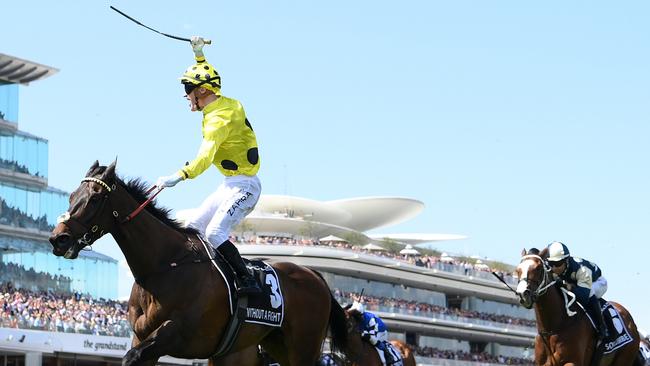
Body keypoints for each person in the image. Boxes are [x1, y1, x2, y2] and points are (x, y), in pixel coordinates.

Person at [156, 36, 261, 294]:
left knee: (214, 232)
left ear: (202, 91)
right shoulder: (223, 104)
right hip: (230, 184)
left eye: (188, 90)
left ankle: (247, 280)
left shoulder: (218, 121)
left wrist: (179, 175)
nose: (186, 96)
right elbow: (207, 77)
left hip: (246, 187)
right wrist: (199, 55)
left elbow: (203, 158)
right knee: (193, 228)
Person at [546, 241, 608, 339]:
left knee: (590, 292)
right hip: (577, 282)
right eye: (551, 263)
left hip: (597, 282)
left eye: (557, 263)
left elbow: (583, 297)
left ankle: (602, 327)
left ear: (566, 260)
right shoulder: (552, 267)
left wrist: (569, 287)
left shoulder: (582, 270)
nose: (553, 268)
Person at [350, 299, 401, 365]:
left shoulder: (370, 318)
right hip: (368, 331)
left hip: (380, 332)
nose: (359, 318)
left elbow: (371, 334)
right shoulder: (354, 319)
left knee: (372, 339)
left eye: (360, 315)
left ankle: (387, 353)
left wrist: (361, 334)